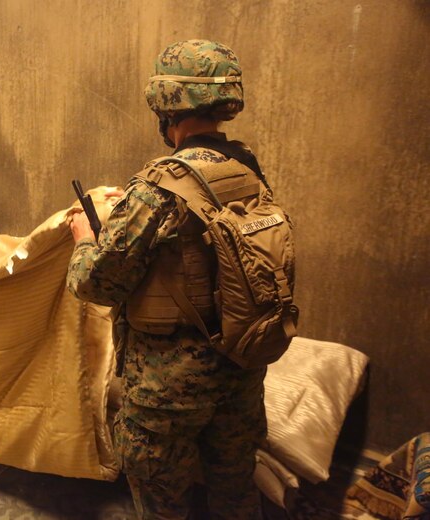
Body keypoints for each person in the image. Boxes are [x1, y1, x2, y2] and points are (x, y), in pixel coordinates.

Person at [67, 40, 267, 518]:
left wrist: (83, 237)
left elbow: (95, 284)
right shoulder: (246, 167)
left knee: (163, 504)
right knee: (236, 493)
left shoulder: (157, 186)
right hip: (241, 365)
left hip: (167, 388)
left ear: (164, 103)